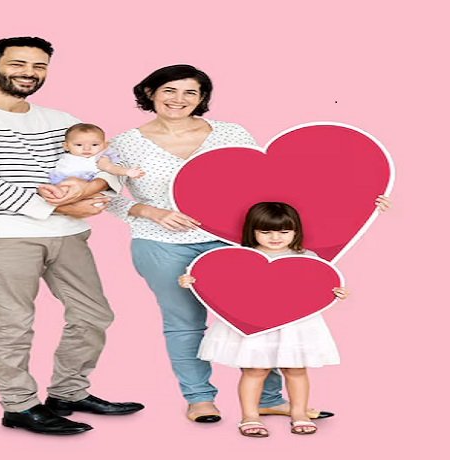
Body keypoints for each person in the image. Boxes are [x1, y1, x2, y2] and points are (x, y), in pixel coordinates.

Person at [99, 64, 334, 423]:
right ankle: (199, 399)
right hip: (162, 245)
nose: (179, 99)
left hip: (235, 243)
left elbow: (268, 181)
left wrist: (362, 199)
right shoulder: (124, 144)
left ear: (203, 98)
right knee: (184, 323)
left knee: (263, 318)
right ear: (150, 93)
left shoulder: (230, 133)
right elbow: (107, 197)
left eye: (190, 92)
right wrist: (150, 211)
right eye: (169, 90)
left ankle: (269, 399)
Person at [0, 36, 143, 436]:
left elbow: (104, 166)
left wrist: (87, 192)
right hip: (7, 237)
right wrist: (66, 205)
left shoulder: (60, 118)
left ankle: (67, 394)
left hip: (69, 236)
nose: (28, 74)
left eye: (38, 67)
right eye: (18, 64)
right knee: (13, 323)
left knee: (93, 314)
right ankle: (18, 406)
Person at [180, 202, 349, 436]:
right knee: (255, 370)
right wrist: (192, 281)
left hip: (295, 324)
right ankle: (250, 416)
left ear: (295, 232)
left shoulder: (307, 256)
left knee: (296, 369)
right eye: (266, 232)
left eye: (283, 232)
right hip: (253, 321)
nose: (275, 238)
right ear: (253, 231)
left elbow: (319, 284)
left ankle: (299, 412)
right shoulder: (239, 256)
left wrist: (336, 292)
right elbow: (221, 283)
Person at [50, 123, 145, 185]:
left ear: (104, 145)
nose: (86, 149)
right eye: (79, 145)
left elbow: (110, 168)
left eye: (94, 144)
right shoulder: (66, 157)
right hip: (60, 182)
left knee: (73, 183)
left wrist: (127, 172)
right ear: (66, 146)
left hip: (84, 184)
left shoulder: (100, 158)